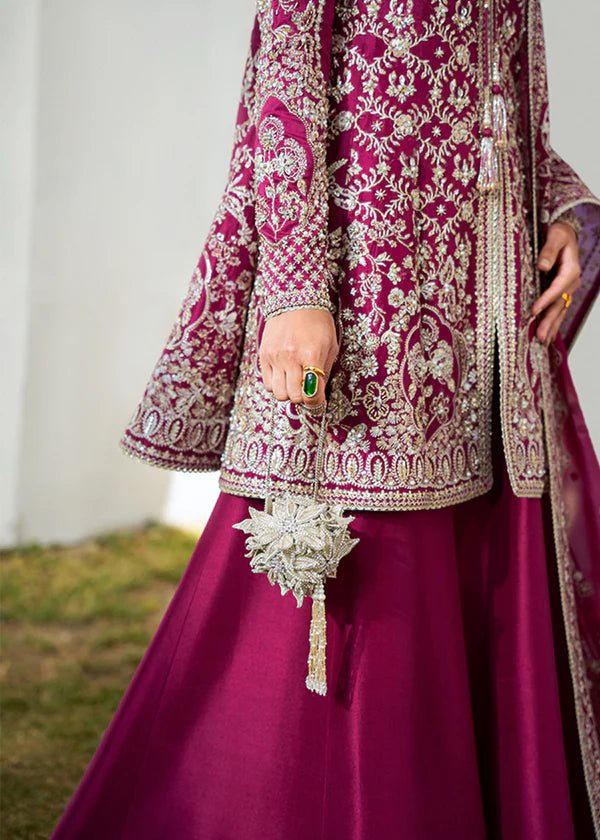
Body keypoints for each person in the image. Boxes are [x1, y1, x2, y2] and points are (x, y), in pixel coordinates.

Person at [51, 0, 600, 837]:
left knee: (472, 584)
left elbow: (506, 95)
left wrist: (569, 207)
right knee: (356, 601)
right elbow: (287, 81)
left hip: (481, 318)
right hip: (368, 281)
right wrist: (297, 287)